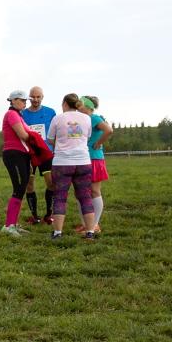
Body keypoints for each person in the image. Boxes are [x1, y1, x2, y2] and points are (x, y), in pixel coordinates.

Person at [46, 93, 97, 241]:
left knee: (60, 197)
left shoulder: (57, 118)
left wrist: (60, 145)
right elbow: (87, 137)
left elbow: (50, 139)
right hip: (83, 162)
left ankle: (57, 233)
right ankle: (90, 232)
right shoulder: (87, 118)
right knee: (85, 197)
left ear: (64, 103)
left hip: (62, 163)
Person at [77, 96, 112, 235]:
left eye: (80, 105)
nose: (78, 107)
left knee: (94, 191)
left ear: (87, 107)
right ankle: (85, 224)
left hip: (94, 158)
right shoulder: (82, 119)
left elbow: (109, 130)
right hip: (83, 158)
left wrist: (98, 143)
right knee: (81, 192)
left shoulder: (94, 118)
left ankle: (94, 224)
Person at [21, 87, 56, 224]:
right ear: (29, 97)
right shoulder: (22, 113)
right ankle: (34, 216)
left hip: (46, 153)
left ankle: (49, 215)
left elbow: (56, 131)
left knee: (51, 183)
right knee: (29, 185)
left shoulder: (50, 112)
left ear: (42, 97)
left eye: (38, 97)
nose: (35, 99)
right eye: (33, 97)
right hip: (29, 153)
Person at [0, 91, 33, 236]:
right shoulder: (11, 114)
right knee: (19, 188)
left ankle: (13, 223)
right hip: (14, 154)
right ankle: (8, 226)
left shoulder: (19, 115)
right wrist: (35, 138)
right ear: (13, 100)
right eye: (22, 100)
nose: (25, 103)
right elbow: (23, 135)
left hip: (22, 154)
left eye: (26, 100)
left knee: (22, 187)